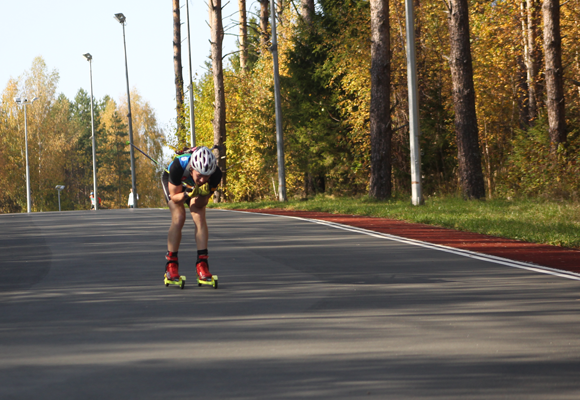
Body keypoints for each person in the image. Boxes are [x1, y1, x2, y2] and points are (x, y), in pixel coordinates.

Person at [161, 146, 222, 282]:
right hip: (175, 186)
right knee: (179, 217)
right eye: (199, 175)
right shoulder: (178, 166)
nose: (202, 180)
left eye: (207, 176)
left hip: (191, 187)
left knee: (199, 216)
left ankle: (202, 264)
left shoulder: (216, 174)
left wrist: (203, 193)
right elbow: (175, 197)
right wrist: (187, 193)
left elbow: (200, 204)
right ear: (192, 169)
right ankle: (171, 264)